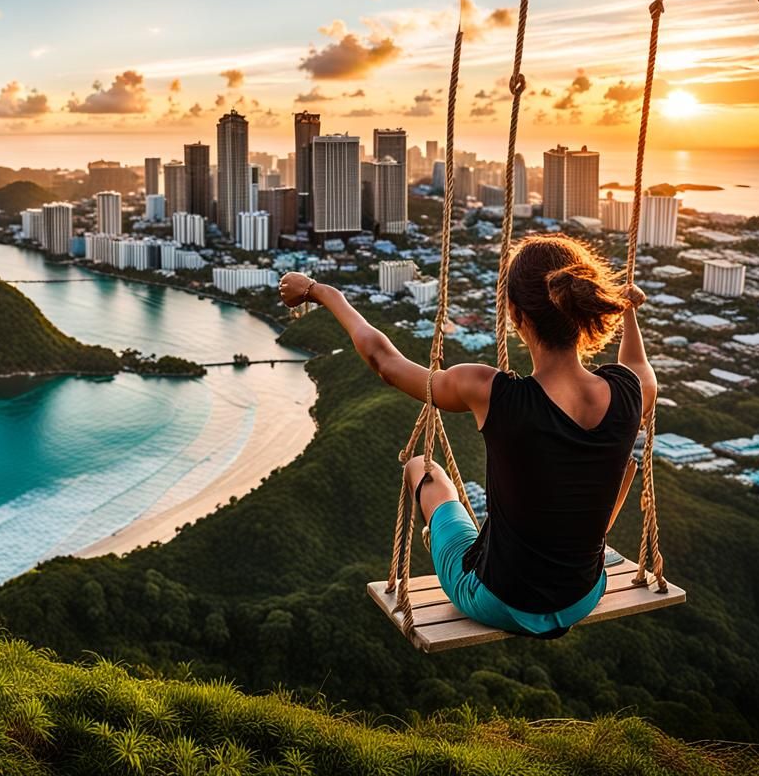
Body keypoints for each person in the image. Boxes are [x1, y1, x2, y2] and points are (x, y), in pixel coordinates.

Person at [278, 233, 655, 638]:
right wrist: (629, 311)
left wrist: (322, 292)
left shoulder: (490, 390)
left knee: (422, 468)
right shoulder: (630, 391)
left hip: (497, 600)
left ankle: (442, 540)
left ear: (515, 314)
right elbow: (637, 365)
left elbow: (385, 362)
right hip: (582, 594)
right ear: (584, 307)